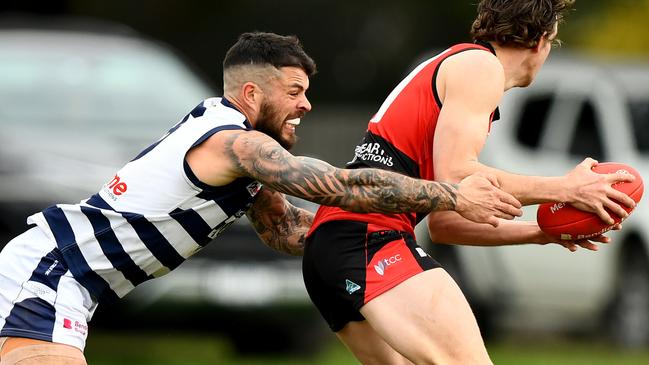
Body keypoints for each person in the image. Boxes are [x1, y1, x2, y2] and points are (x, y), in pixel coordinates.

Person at [0, 32, 523, 365]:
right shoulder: (239, 144)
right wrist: (451, 194)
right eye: (293, 91)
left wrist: (350, 241)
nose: (306, 103)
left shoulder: (235, 155)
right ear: (252, 95)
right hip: (50, 272)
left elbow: (286, 230)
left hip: (66, 281)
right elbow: (344, 185)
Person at [302, 1, 638, 364]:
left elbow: (447, 223)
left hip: (333, 245)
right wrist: (567, 188)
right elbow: (459, 176)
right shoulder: (481, 67)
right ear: (541, 40)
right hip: (368, 237)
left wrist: (539, 233)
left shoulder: (462, 68)